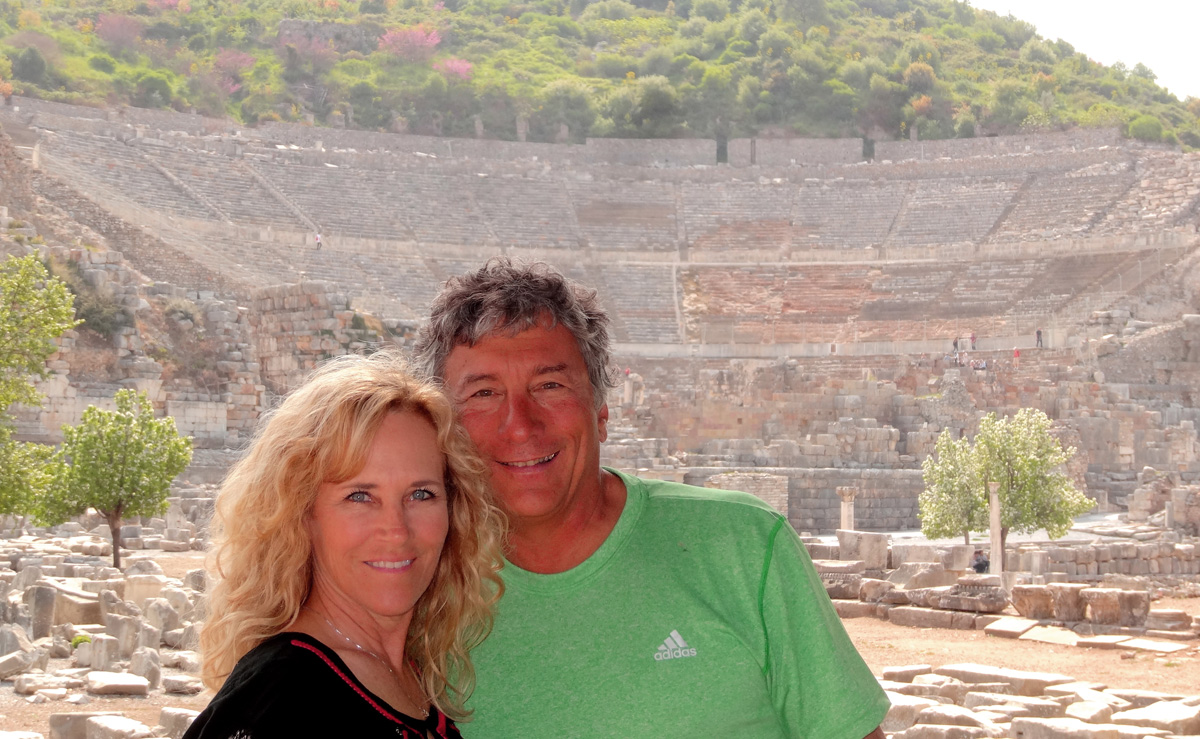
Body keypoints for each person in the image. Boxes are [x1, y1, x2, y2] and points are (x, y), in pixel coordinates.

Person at [414, 258, 889, 739]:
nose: (520, 424)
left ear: (600, 410)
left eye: (549, 385)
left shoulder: (744, 548)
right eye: (483, 393)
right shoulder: (417, 591)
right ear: (442, 426)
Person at [186, 353, 505, 739]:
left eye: (421, 494)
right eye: (359, 496)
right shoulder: (281, 698)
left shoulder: (409, 676)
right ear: (302, 514)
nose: (397, 530)